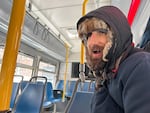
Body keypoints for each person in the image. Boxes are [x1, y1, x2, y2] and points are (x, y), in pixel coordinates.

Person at [76, 6, 150, 113]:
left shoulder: (140, 66)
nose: (91, 42)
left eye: (101, 31)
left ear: (117, 34)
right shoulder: (108, 74)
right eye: (87, 36)